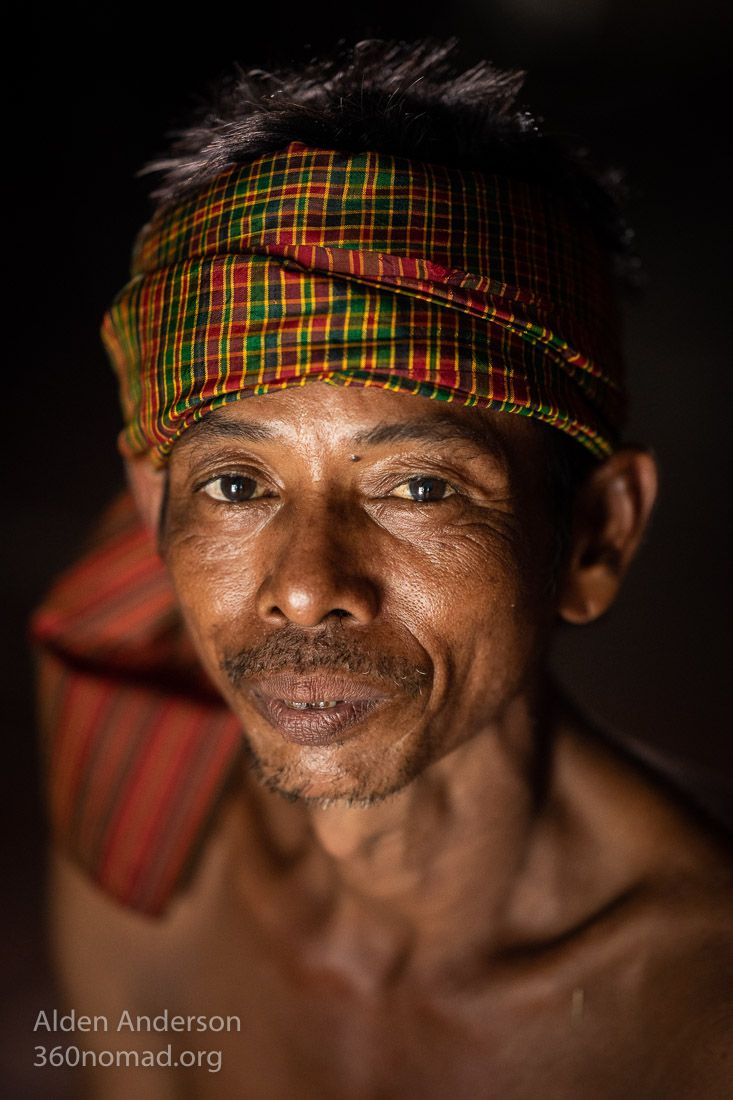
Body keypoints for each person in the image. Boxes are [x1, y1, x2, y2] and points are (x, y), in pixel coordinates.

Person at [32, 40, 732, 1098]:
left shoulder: (699, 1015)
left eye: (417, 487)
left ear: (593, 537)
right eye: (234, 484)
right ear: (154, 512)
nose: (307, 584)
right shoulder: (142, 835)